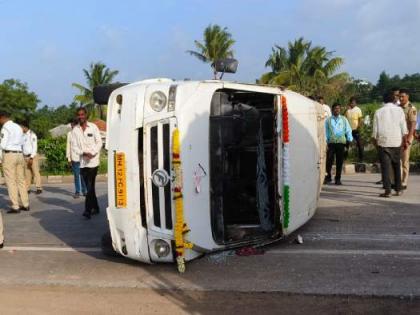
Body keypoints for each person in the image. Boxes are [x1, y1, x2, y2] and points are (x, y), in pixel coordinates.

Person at [372, 91, 408, 198]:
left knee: (385, 168)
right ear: (393, 100)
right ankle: (398, 189)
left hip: (383, 142)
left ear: (384, 100)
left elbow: (375, 132)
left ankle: (387, 191)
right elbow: (404, 129)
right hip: (396, 141)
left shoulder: (378, 111)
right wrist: (404, 141)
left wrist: (376, 144)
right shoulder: (400, 110)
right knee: (396, 166)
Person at [71, 108, 102, 219]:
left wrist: (92, 153)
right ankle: (96, 207)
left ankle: (87, 210)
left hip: (93, 162)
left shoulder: (93, 127)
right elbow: (74, 147)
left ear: (86, 115)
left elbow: (99, 142)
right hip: (83, 162)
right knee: (90, 187)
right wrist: (83, 153)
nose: (81, 117)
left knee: (89, 186)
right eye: (79, 115)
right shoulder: (75, 130)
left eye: (82, 114)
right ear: (77, 116)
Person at [0, 111, 30, 213]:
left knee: (11, 181)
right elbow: (22, 142)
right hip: (19, 154)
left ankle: (15, 206)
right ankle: (25, 204)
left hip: (9, 155)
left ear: (2, 118)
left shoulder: (5, 128)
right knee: (21, 180)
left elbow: (3, 145)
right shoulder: (18, 127)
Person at [324, 103, 353, 185]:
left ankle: (338, 178)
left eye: (338, 108)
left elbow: (348, 130)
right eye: (335, 108)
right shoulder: (328, 120)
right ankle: (328, 177)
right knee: (329, 161)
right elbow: (325, 132)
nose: (337, 110)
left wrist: (349, 140)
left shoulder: (344, 119)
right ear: (332, 110)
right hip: (331, 143)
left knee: (339, 162)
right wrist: (325, 142)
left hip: (341, 143)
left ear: (340, 110)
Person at [399, 89, 417, 190]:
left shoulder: (411, 108)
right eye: (399, 97)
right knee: (398, 160)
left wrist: (409, 139)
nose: (401, 98)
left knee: (405, 159)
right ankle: (398, 180)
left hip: (407, 136)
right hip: (398, 137)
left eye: (403, 96)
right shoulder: (398, 108)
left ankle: (404, 181)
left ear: (407, 97)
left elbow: (413, 125)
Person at [66, 118, 87, 198]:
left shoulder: (82, 132)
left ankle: (84, 191)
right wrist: (68, 158)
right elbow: (68, 146)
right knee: (76, 175)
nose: (72, 126)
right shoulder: (69, 134)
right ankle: (77, 191)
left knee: (82, 175)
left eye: (73, 124)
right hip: (74, 157)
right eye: (71, 124)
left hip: (82, 157)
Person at [20, 120, 42, 194]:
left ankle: (39, 188)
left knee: (36, 172)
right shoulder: (22, 135)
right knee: (27, 174)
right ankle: (27, 188)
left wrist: (31, 157)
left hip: (32, 157)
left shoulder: (32, 135)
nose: (20, 128)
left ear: (24, 127)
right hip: (25, 157)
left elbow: (34, 147)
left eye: (21, 127)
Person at [345, 97, 364, 161]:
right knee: (346, 144)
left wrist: (358, 127)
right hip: (348, 130)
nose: (352, 104)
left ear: (355, 103)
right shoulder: (348, 110)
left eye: (353, 103)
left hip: (356, 129)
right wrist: (346, 109)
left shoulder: (358, 109)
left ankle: (361, 158)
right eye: (351, 103)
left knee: (359, 144)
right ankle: (345, 158)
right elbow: (344, 118)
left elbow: (360, 119)